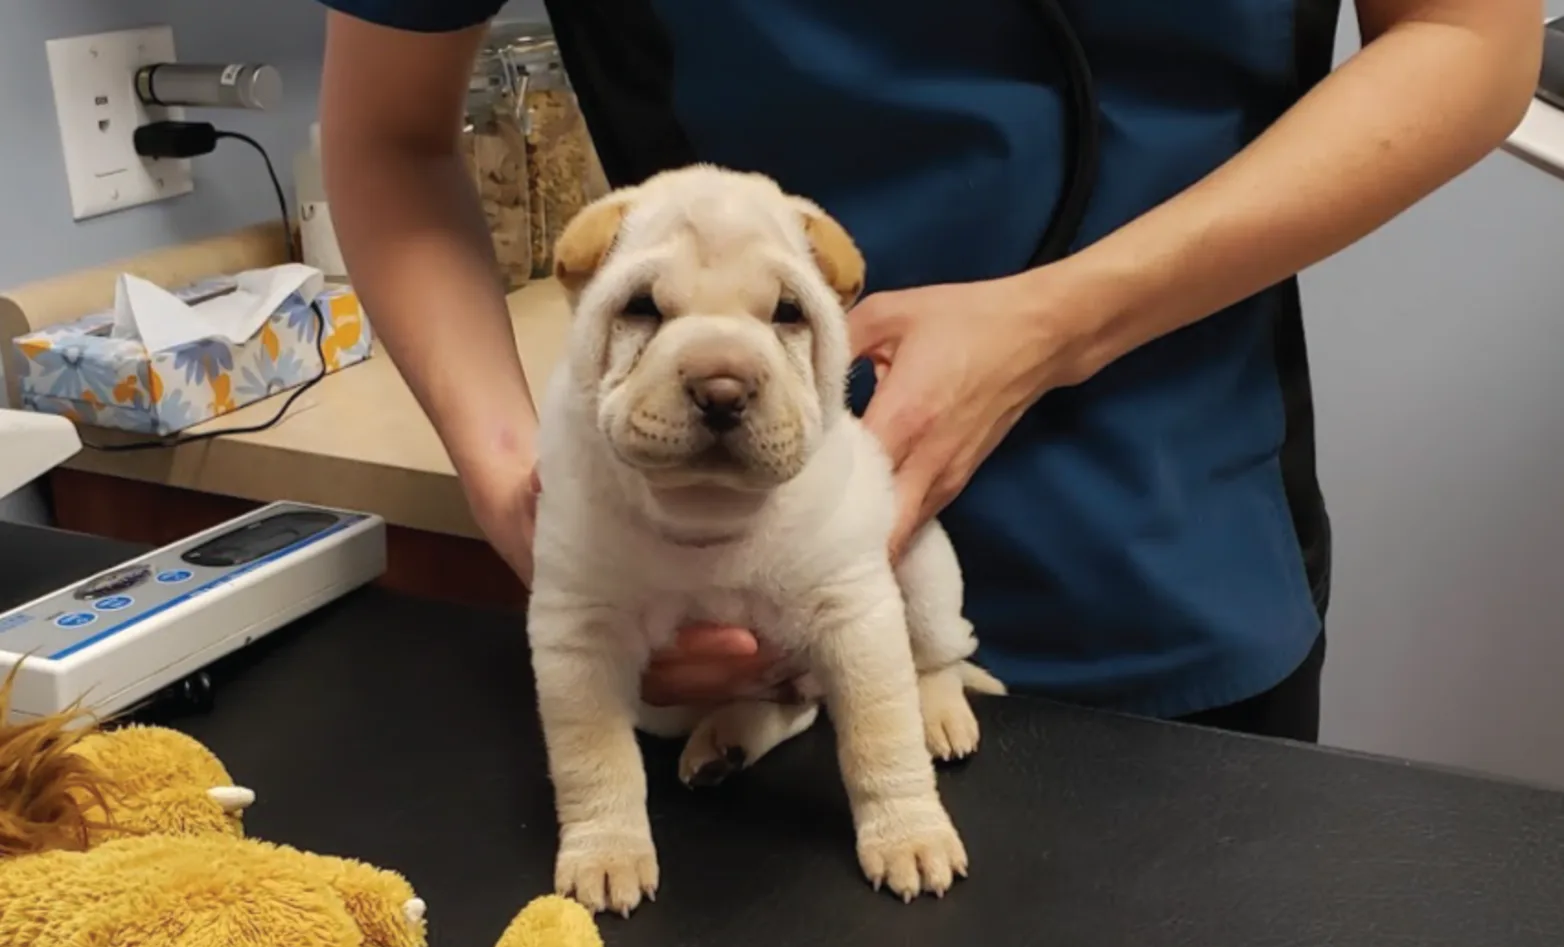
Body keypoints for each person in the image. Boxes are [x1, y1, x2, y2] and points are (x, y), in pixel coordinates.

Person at [314, 0, 1540, 743]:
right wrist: (530, 494)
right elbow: (388, 133)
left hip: (1173, 578)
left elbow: (1464, 41)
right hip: (710, 630)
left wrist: (1055, 325)